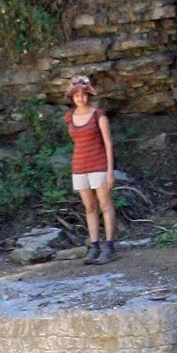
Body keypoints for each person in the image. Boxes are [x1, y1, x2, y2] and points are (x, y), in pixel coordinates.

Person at [64, 76, 116, 261]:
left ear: (89, 95)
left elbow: (108, 144)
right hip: (79, 166)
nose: (81, 99)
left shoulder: (98, 115)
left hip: (98, 165)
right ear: (72, 97)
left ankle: (109, 246)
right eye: (76, 95)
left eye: (84, 95)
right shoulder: (69, 117)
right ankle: (94, 245)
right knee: (89, 207)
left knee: (105, 205)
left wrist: (110, 172)